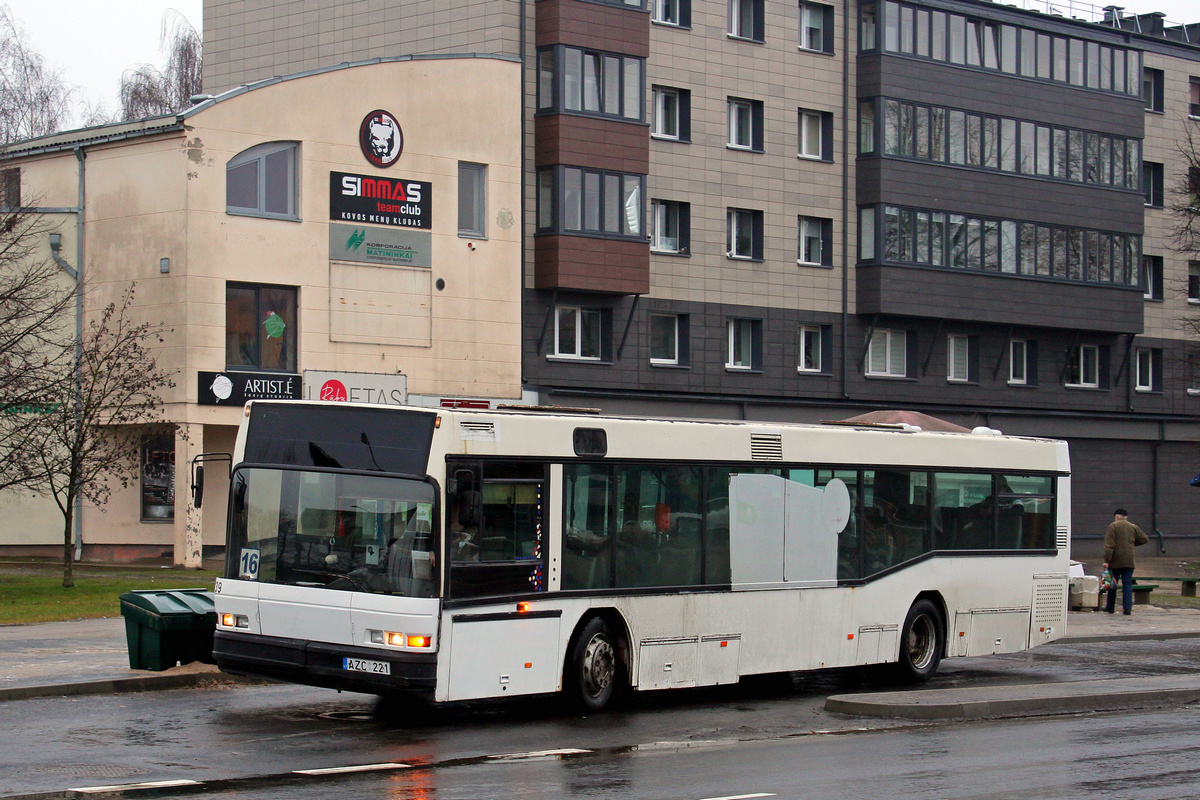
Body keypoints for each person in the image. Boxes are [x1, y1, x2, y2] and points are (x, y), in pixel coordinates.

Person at [1103, 508, 1149, 615]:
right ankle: (1127, 608)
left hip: (1115, 560)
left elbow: (1109, 546)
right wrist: (1132, 544)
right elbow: (1144, 539)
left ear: (1117, 516)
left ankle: (1110, 607)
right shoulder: (1133, 527)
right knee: (1127, 584)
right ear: (1126, 517)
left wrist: (1106, 560)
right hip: (1129, 560)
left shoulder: (1113, 526)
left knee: (1111, 584)